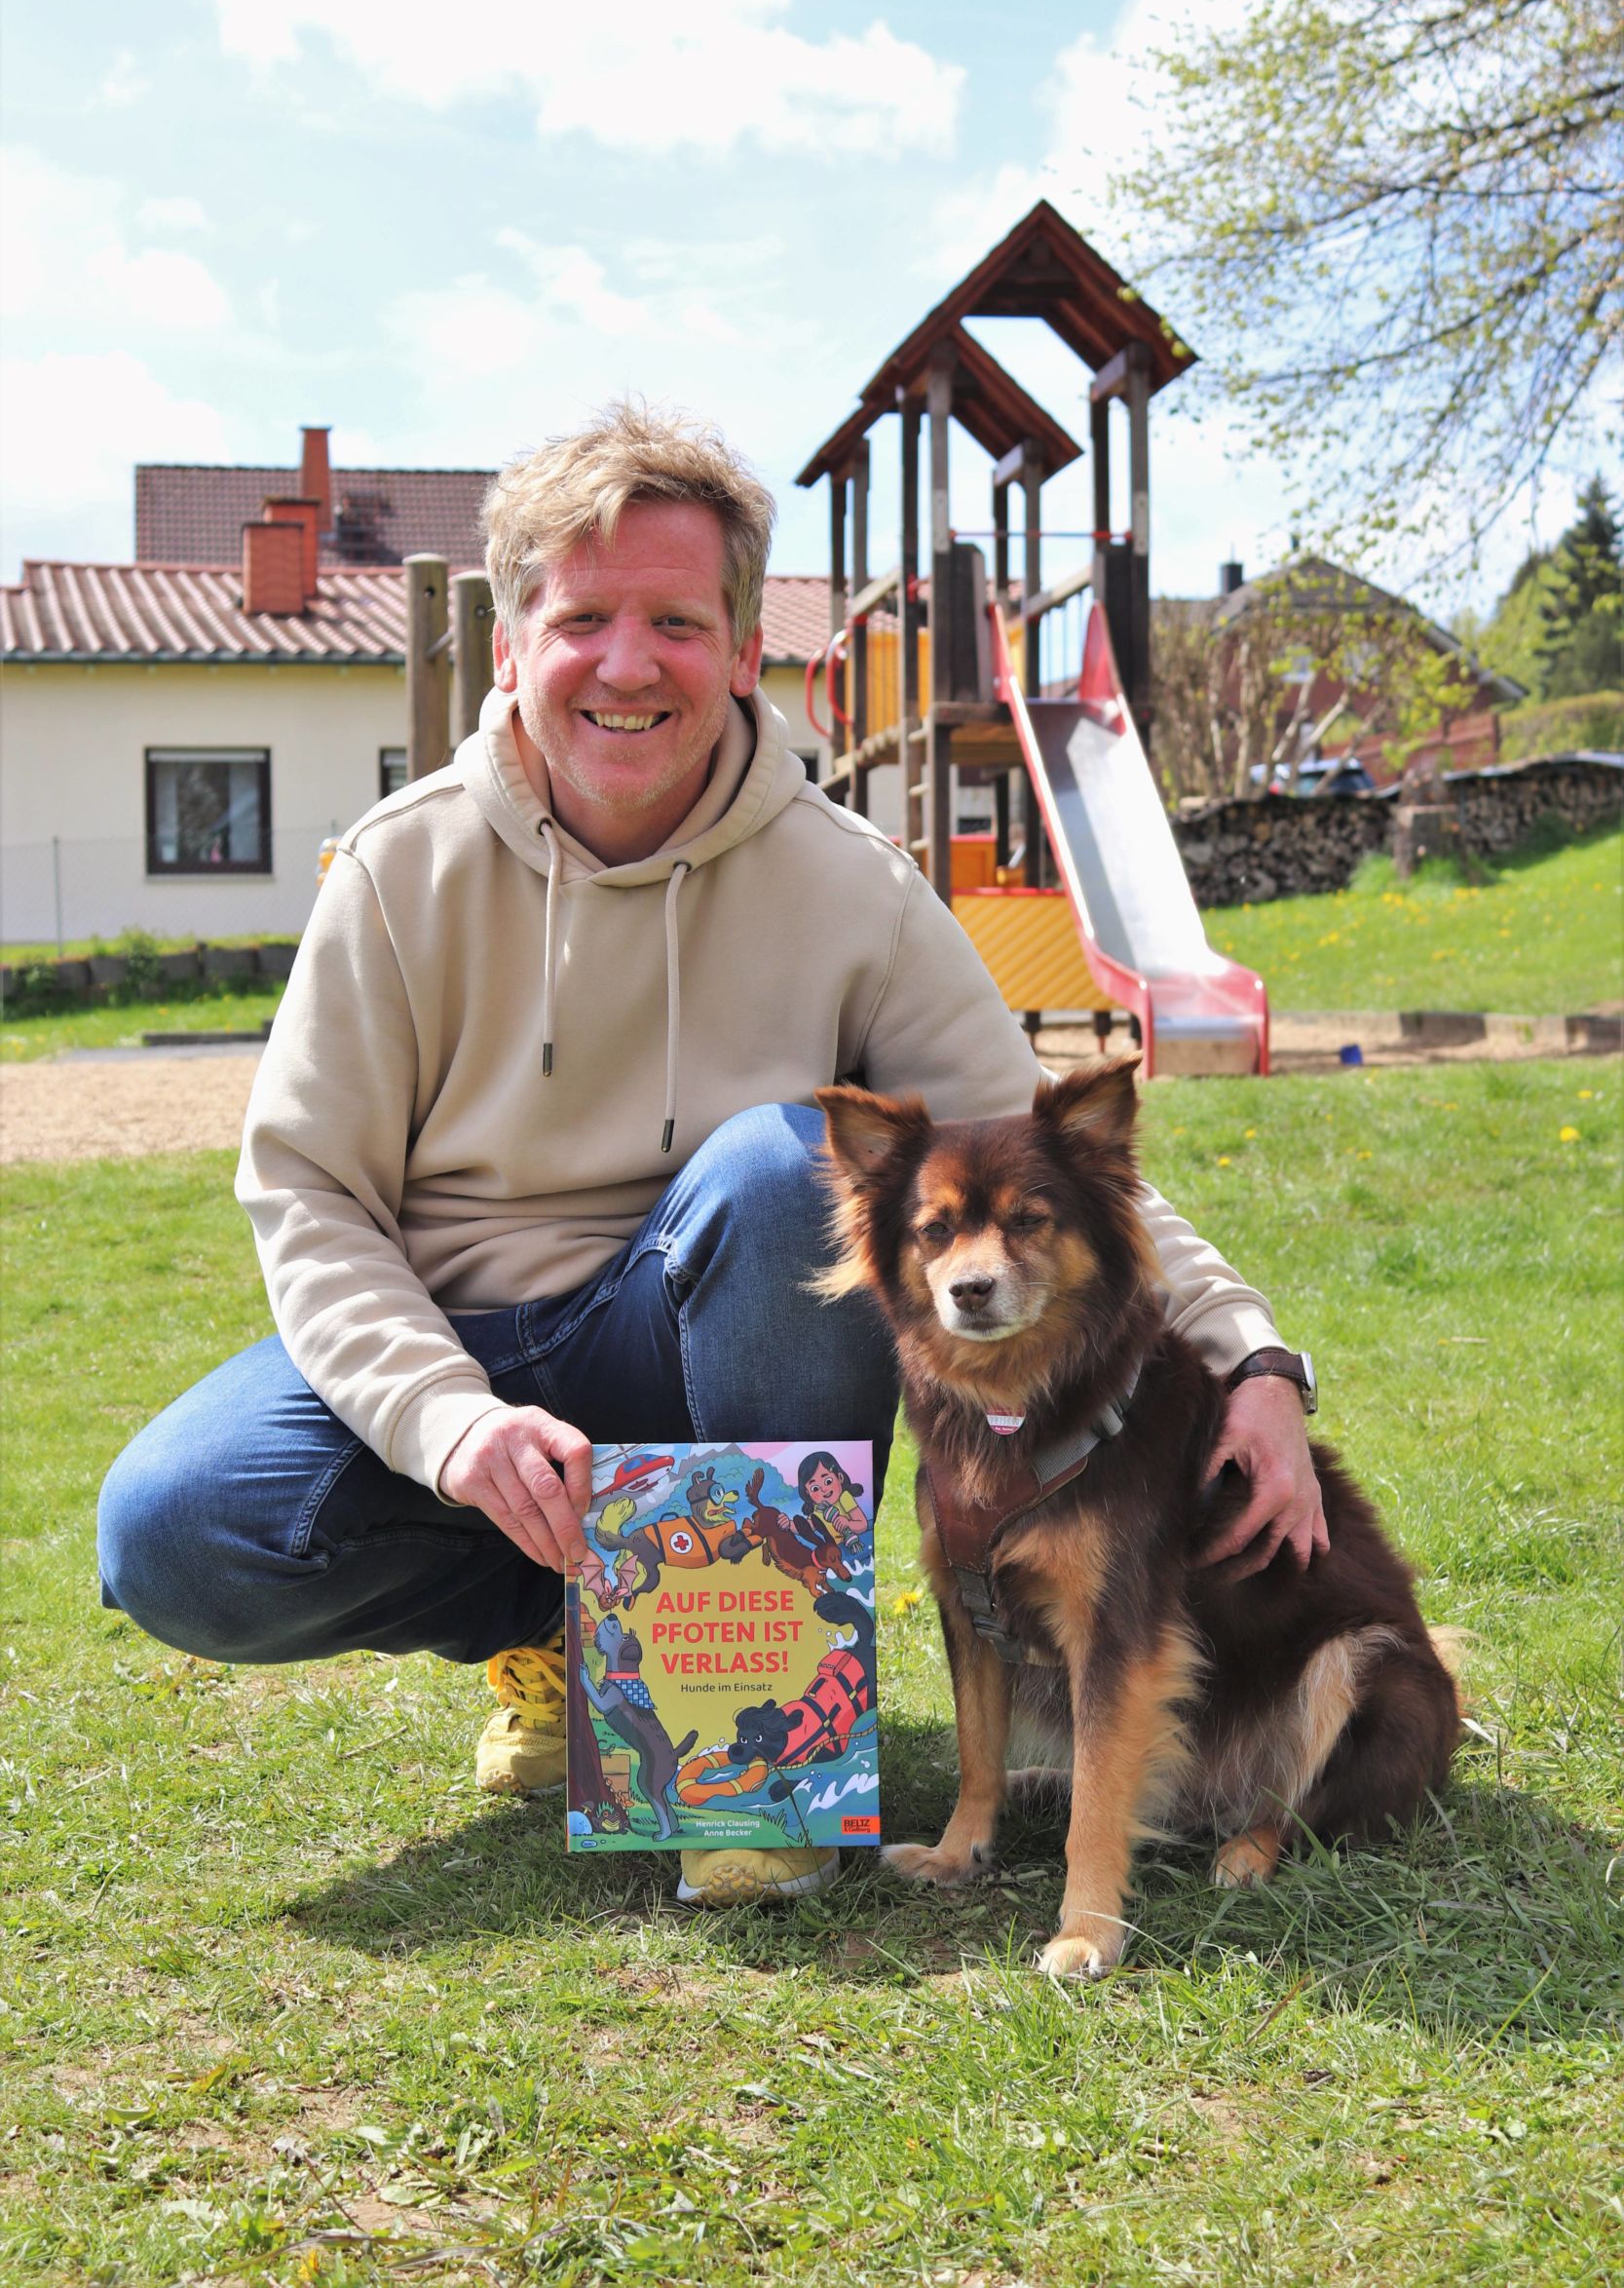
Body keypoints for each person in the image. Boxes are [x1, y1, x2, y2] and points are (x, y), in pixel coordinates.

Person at [97, 403, 1325, 1910]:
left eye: (677, 621)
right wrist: (449, 1421)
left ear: (746, 650)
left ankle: (756, 1760)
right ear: (509, 648)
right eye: (584, 619)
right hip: (475, 1358)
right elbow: (308, 1194)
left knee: (774, 1170)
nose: (628, 664)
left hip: (711, 1339)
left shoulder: (854, 889)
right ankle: (580, 1635)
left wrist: (1254, 1359)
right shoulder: (396, 871)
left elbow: (1051, 1165)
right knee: (168, 1527)